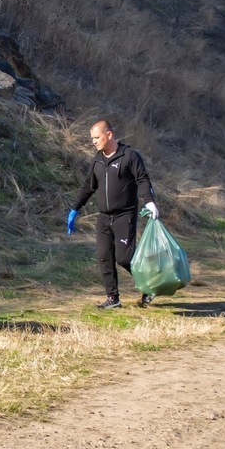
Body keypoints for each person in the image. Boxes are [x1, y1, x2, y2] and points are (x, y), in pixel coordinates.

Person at [67, 120, 158, 309]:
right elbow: (88, 187)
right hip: (103, 217)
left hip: (125, 215)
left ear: (109, 135)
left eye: (97, 137)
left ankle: (150, 285)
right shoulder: (98, 160)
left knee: (124, 258)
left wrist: (149, 202)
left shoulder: (129, 156)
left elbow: (142, 180)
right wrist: (75, 209)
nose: (93, 142)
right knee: (104, 256)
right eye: (92, 138)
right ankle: (113, 298)